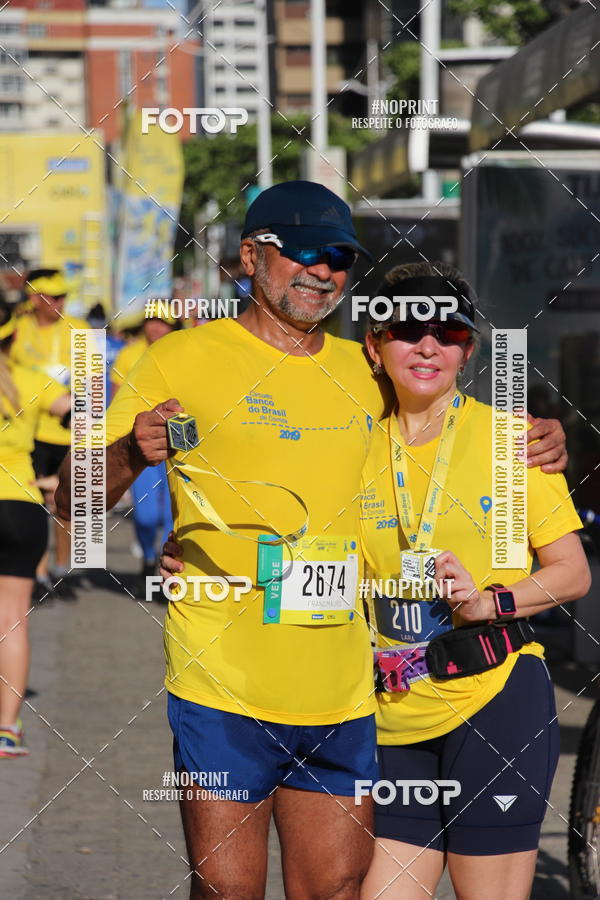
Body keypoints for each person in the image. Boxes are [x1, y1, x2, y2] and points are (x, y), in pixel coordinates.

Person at [56, 182, 567, 899]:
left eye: (338, 257)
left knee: (333, 889)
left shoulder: (365, 369)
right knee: (228, 889)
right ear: (249, 256)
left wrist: (536, 435)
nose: (321, 270)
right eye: (301, 251)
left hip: (346, 690)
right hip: (224, 682)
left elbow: (445, 410)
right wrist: (127, 456)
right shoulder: (178, 360)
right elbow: (71, 504)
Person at [357, 262, 590, 899]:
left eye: (448, 331)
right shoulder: (349, 445)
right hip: (390, 716)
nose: (428, 344)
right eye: (406, 329)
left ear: (468, 349)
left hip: (495, 702)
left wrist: (492, 601)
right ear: (375, 346)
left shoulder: (512, 442)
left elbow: (571, 573)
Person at [0, 302, 70, 757]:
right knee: (12, 621)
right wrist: (58, 476)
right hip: (20, 503)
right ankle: (6, 728)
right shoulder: (25, 380)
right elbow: (83, 408)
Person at [10, 268, 88, 601]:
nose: (60, 303)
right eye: (54, 297)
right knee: (36, 504)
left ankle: (61, 570)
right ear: (36, 298)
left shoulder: (80, 330)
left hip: (70, 435)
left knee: (66, 506)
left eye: (64, 296)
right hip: (32, 434)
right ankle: (39, 575)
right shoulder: (17, 330)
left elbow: (94, 385)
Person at [110, 309, 178, 587]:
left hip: (179, 443)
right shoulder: (129, 354)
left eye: (163, 322)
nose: (156, 327)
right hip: (140, 443)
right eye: (152, 321)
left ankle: (168, 568)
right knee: (147, 511)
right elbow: (116, 396)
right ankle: (148, 556)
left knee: (173, 512)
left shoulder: (186, 349)